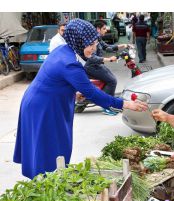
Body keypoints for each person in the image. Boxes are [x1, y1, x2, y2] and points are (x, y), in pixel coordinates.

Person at [13, 19, 148, 180]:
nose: (94, 47)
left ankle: (49, 182)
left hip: (40, 100)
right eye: (90, 43)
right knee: (48, 147)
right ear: (78, 40)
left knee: (49, 145)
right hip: (44, 106)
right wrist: (126, 104)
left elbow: (55, 79)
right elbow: (93, 94)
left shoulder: (65, 50)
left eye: (95, 42)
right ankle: (47, 185)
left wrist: (72, 91)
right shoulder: (69, 63)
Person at [84, 19, 130, 115]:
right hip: (92, 67)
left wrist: (124, 45)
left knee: (111, 78)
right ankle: (106, 106)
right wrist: (108, 59)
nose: (106, 30)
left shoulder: (98, 39)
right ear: (98, 29)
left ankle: (110, 101)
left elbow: (107, 47)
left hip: (97, 65)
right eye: (104, 29)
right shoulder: (91, 40)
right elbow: (91, 57)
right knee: (112, 81)